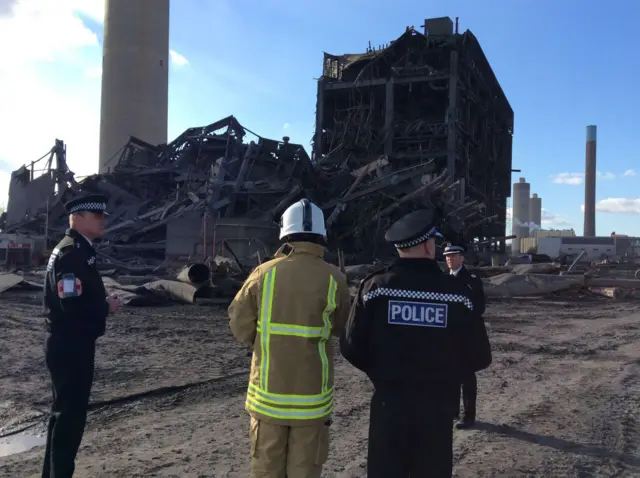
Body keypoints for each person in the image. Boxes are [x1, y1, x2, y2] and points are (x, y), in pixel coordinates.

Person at [340, 208, 476, 478]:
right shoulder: (457, 295)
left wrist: (382, 373)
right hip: (437, 409)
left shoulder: (375, 288)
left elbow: (351, 346)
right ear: (427, 245)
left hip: (389, 405)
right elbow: (478, 355)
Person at [228, 198, 351, 478]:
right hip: (312, 401)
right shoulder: (334, 278)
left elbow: (239, 322)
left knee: (266, 470)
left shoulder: (264, 274)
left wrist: (259, 343)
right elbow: (341, 325)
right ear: (321, 235)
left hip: (267, 397)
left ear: (285, 233)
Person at [41, 193, 122, 478]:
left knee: (62, 416)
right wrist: (105, 306)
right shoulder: (72, 253)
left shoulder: (77, 250)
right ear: (79, 217)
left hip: (70, 343)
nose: (103, 222)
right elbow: (71, 304)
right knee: (69, 420)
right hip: (71, 345)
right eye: (97, 216)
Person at [443, 242, 492, 430]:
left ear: (462, 258)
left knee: (466, 375)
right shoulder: (442, 279)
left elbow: (479, 307)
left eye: (454, 256)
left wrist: (460, 317)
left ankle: (468, 416)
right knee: (449, 374)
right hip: (448, 335)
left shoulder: (471, 279)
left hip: (467, 335)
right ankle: (452, 411)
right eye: (448, 256)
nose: (450, 259)